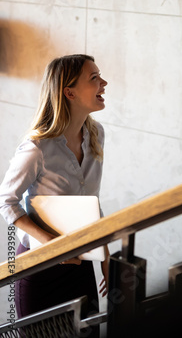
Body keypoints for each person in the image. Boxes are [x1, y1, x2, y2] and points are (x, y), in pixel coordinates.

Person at [0, 54, 109, 332]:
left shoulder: (96, 134)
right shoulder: (37, 147)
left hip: (82, 264)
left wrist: (105, 255)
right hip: (39, 269)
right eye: (94, 78)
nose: (104, 83)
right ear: (69, 92)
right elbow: (6, 201)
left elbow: (91, 203)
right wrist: (51, 244)